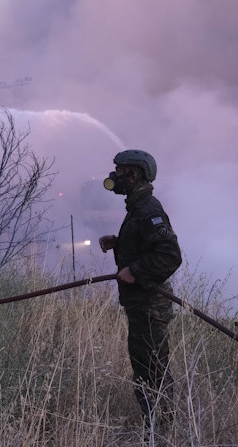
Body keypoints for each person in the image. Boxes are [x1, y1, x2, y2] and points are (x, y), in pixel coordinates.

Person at [98, 149, 182, 429]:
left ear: (133, 175)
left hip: (150, 306)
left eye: (120, 172)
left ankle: (160, 430)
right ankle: (157, 426)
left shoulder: (149, 210)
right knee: (147, 368)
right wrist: (119, 243)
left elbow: (169, 255)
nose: (114, 177)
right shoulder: (138, 206)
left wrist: (135, 271)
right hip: (141, 305)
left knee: (151, 371)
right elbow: (147, 246)